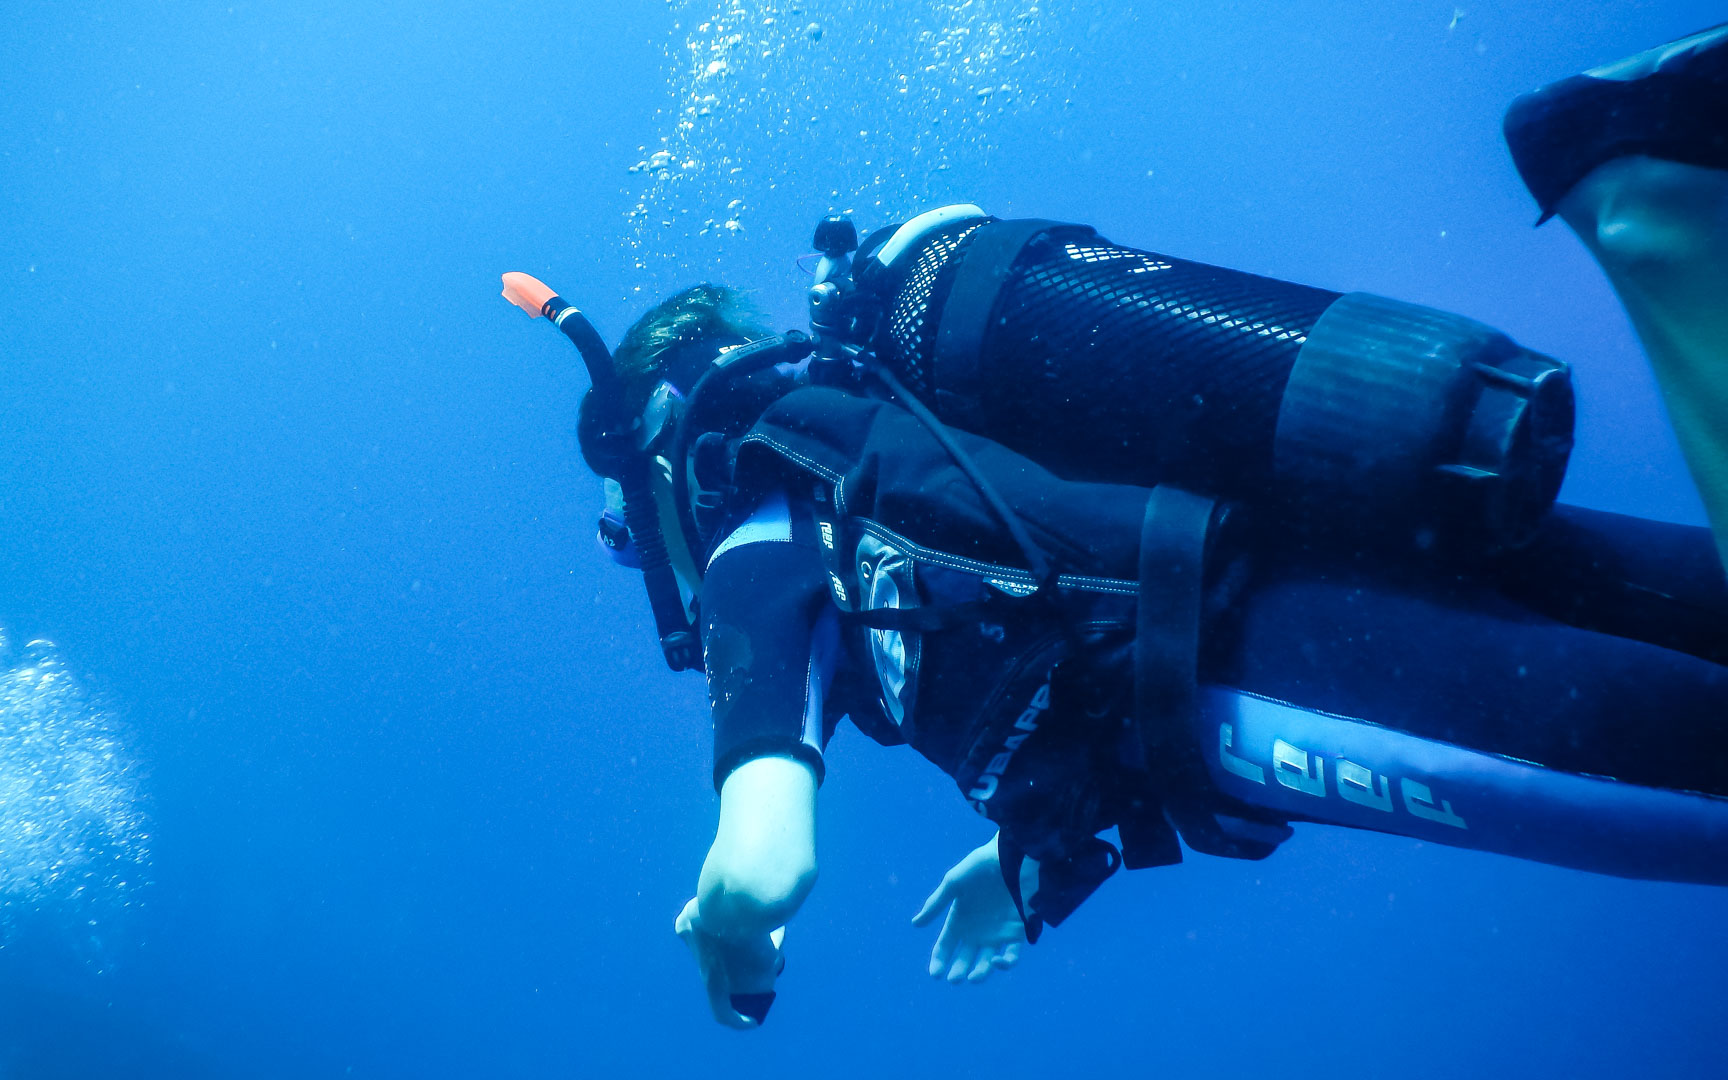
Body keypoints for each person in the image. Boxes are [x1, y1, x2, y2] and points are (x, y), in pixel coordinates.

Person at [503, 25, 1728, 1029]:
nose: (639, 555)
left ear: (652, 459)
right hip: (1342, 533)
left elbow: (767, 862)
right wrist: (1021, 860)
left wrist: (726, 933)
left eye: (623, 532)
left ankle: (1643, 204)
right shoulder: (885, 416)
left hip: (1250, 677)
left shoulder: (755, 547)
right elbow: (1047, 573)